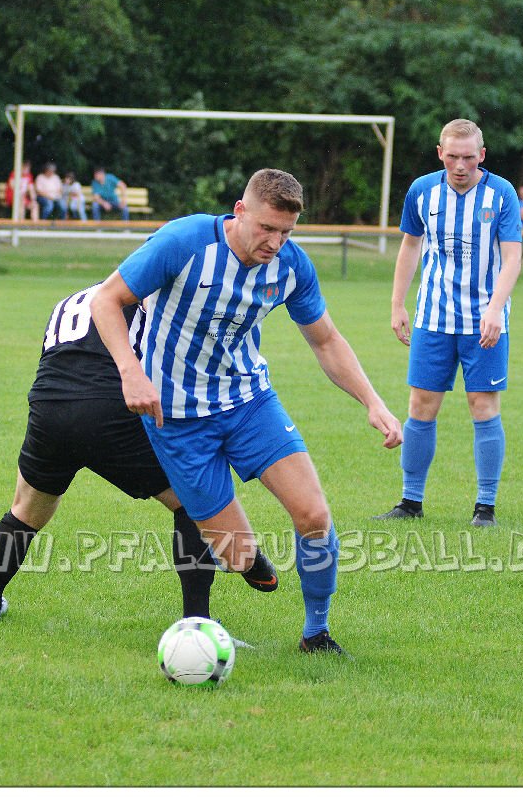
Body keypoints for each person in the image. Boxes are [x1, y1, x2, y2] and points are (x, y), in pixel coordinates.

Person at [91, 168, 403, 654]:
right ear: (240, 211)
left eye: (286, 232)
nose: (275, 242)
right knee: (236, 555)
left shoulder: (291, 266)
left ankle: (316, 633)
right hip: (177, 419)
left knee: (314, 514)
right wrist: (130, 371)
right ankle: (246, 557)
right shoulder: (184, 242)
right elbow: (106, 299)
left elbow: (325, 340)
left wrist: (373, 401)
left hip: (248, 403)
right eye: (266, 228)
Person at [0, 283, 278, 622]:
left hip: (49, 409)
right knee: (191, 502)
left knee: (25, 512)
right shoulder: (141, 294)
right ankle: (198, 622)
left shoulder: (71, 299)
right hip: (109, 409)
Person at [376, 118, 523, 528]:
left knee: (483, 406)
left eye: (469, 157)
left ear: (482, 155)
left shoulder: (501, 193)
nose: (461, 166)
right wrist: (397, 304)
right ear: (440, 153)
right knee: (421, 405)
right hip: (433, 318)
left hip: (485, 322)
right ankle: (410, 501)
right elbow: (410, 246)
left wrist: (495, 309)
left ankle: (485, 507)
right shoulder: (422, 191)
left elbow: (513, 256)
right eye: (453, 156)